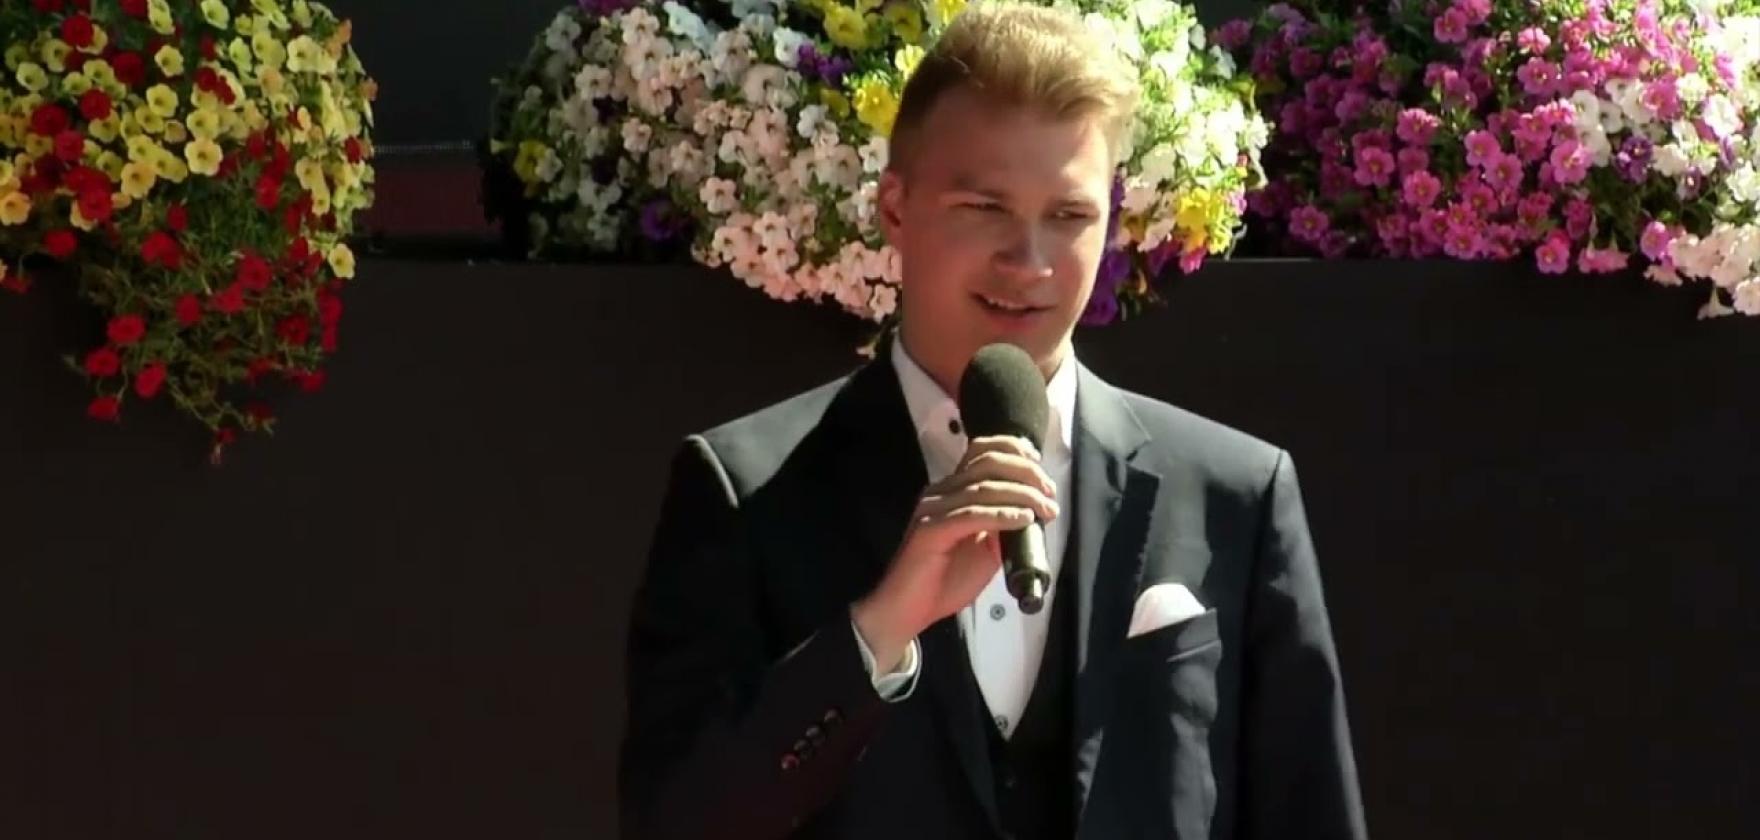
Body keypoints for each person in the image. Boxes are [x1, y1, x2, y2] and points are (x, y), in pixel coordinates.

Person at [618, 3, 1366, 838]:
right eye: (984, 207)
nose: (1029, 261)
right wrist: (876, 633)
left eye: (1070, 216)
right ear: (894, 208)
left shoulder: (1236, 494)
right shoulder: (744, 489)